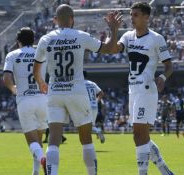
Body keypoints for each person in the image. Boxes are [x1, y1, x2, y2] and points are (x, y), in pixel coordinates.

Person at [33, 4, 122, 175]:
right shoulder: (81, 36)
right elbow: (110, 48)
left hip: (55, 92)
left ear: (56, 20)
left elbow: (36, 68)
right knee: (86, 139)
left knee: (53, 140)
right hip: (77, 91)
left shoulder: (46, 39)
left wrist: (40, 82)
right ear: (72, 19)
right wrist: (113, 30)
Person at [109, 2, 174, 175]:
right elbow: (114, 49)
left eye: (136, 15)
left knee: (138, 135)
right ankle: (164, 169)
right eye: (131, 15)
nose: (132, 18)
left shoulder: (156, 38)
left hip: (147, 90)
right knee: (141, 137)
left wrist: (162, 77)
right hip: (133, 90)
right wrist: (114, 30)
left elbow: (169, 66)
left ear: (146, 17)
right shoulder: (128, 36)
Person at [3, 27, 48, 175]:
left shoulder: (12, 55)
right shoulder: (42, 53)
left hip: (25, 99)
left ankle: (43, 159)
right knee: (39, 140)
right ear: (33, 40)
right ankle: (35, 172)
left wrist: (13, 89)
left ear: (18, 42)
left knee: (32, 142)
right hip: (43, 99)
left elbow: (7, 78)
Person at [83, 70, 105, 143]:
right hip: (94, 107)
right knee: (91, 125)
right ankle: (97, 132)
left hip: (85, 106)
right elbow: (101, 93)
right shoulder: (92, 83)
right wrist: (96, 101)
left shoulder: (80, 84)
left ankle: (97, 131)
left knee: (84, 125)